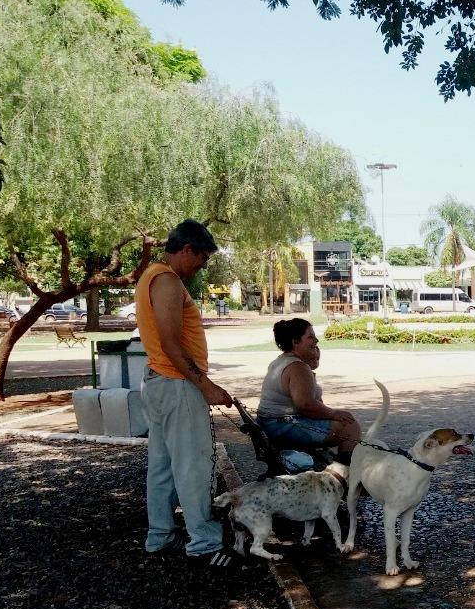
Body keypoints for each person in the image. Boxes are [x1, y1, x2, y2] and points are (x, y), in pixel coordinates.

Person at [136, 219, 244, 569]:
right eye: (203, 258)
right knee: (193, 466)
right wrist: (205, 385)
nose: (203, 266)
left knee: (163, 466)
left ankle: (161, 535)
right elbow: (170, 342)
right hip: (177, 385)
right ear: (186, 250)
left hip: (160, 383)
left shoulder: (151, 275)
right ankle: (203, 543)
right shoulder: (167, 280)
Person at [258, 318, 362, 455]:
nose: (316, 342)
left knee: (343, 419)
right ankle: (341, 471)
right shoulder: (297, 367)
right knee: (349, 426)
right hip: (280, 427)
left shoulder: (282, 361)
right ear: (295, 342)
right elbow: (305, 405)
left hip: (270, 424)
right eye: (310, 337)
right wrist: (333, 413)